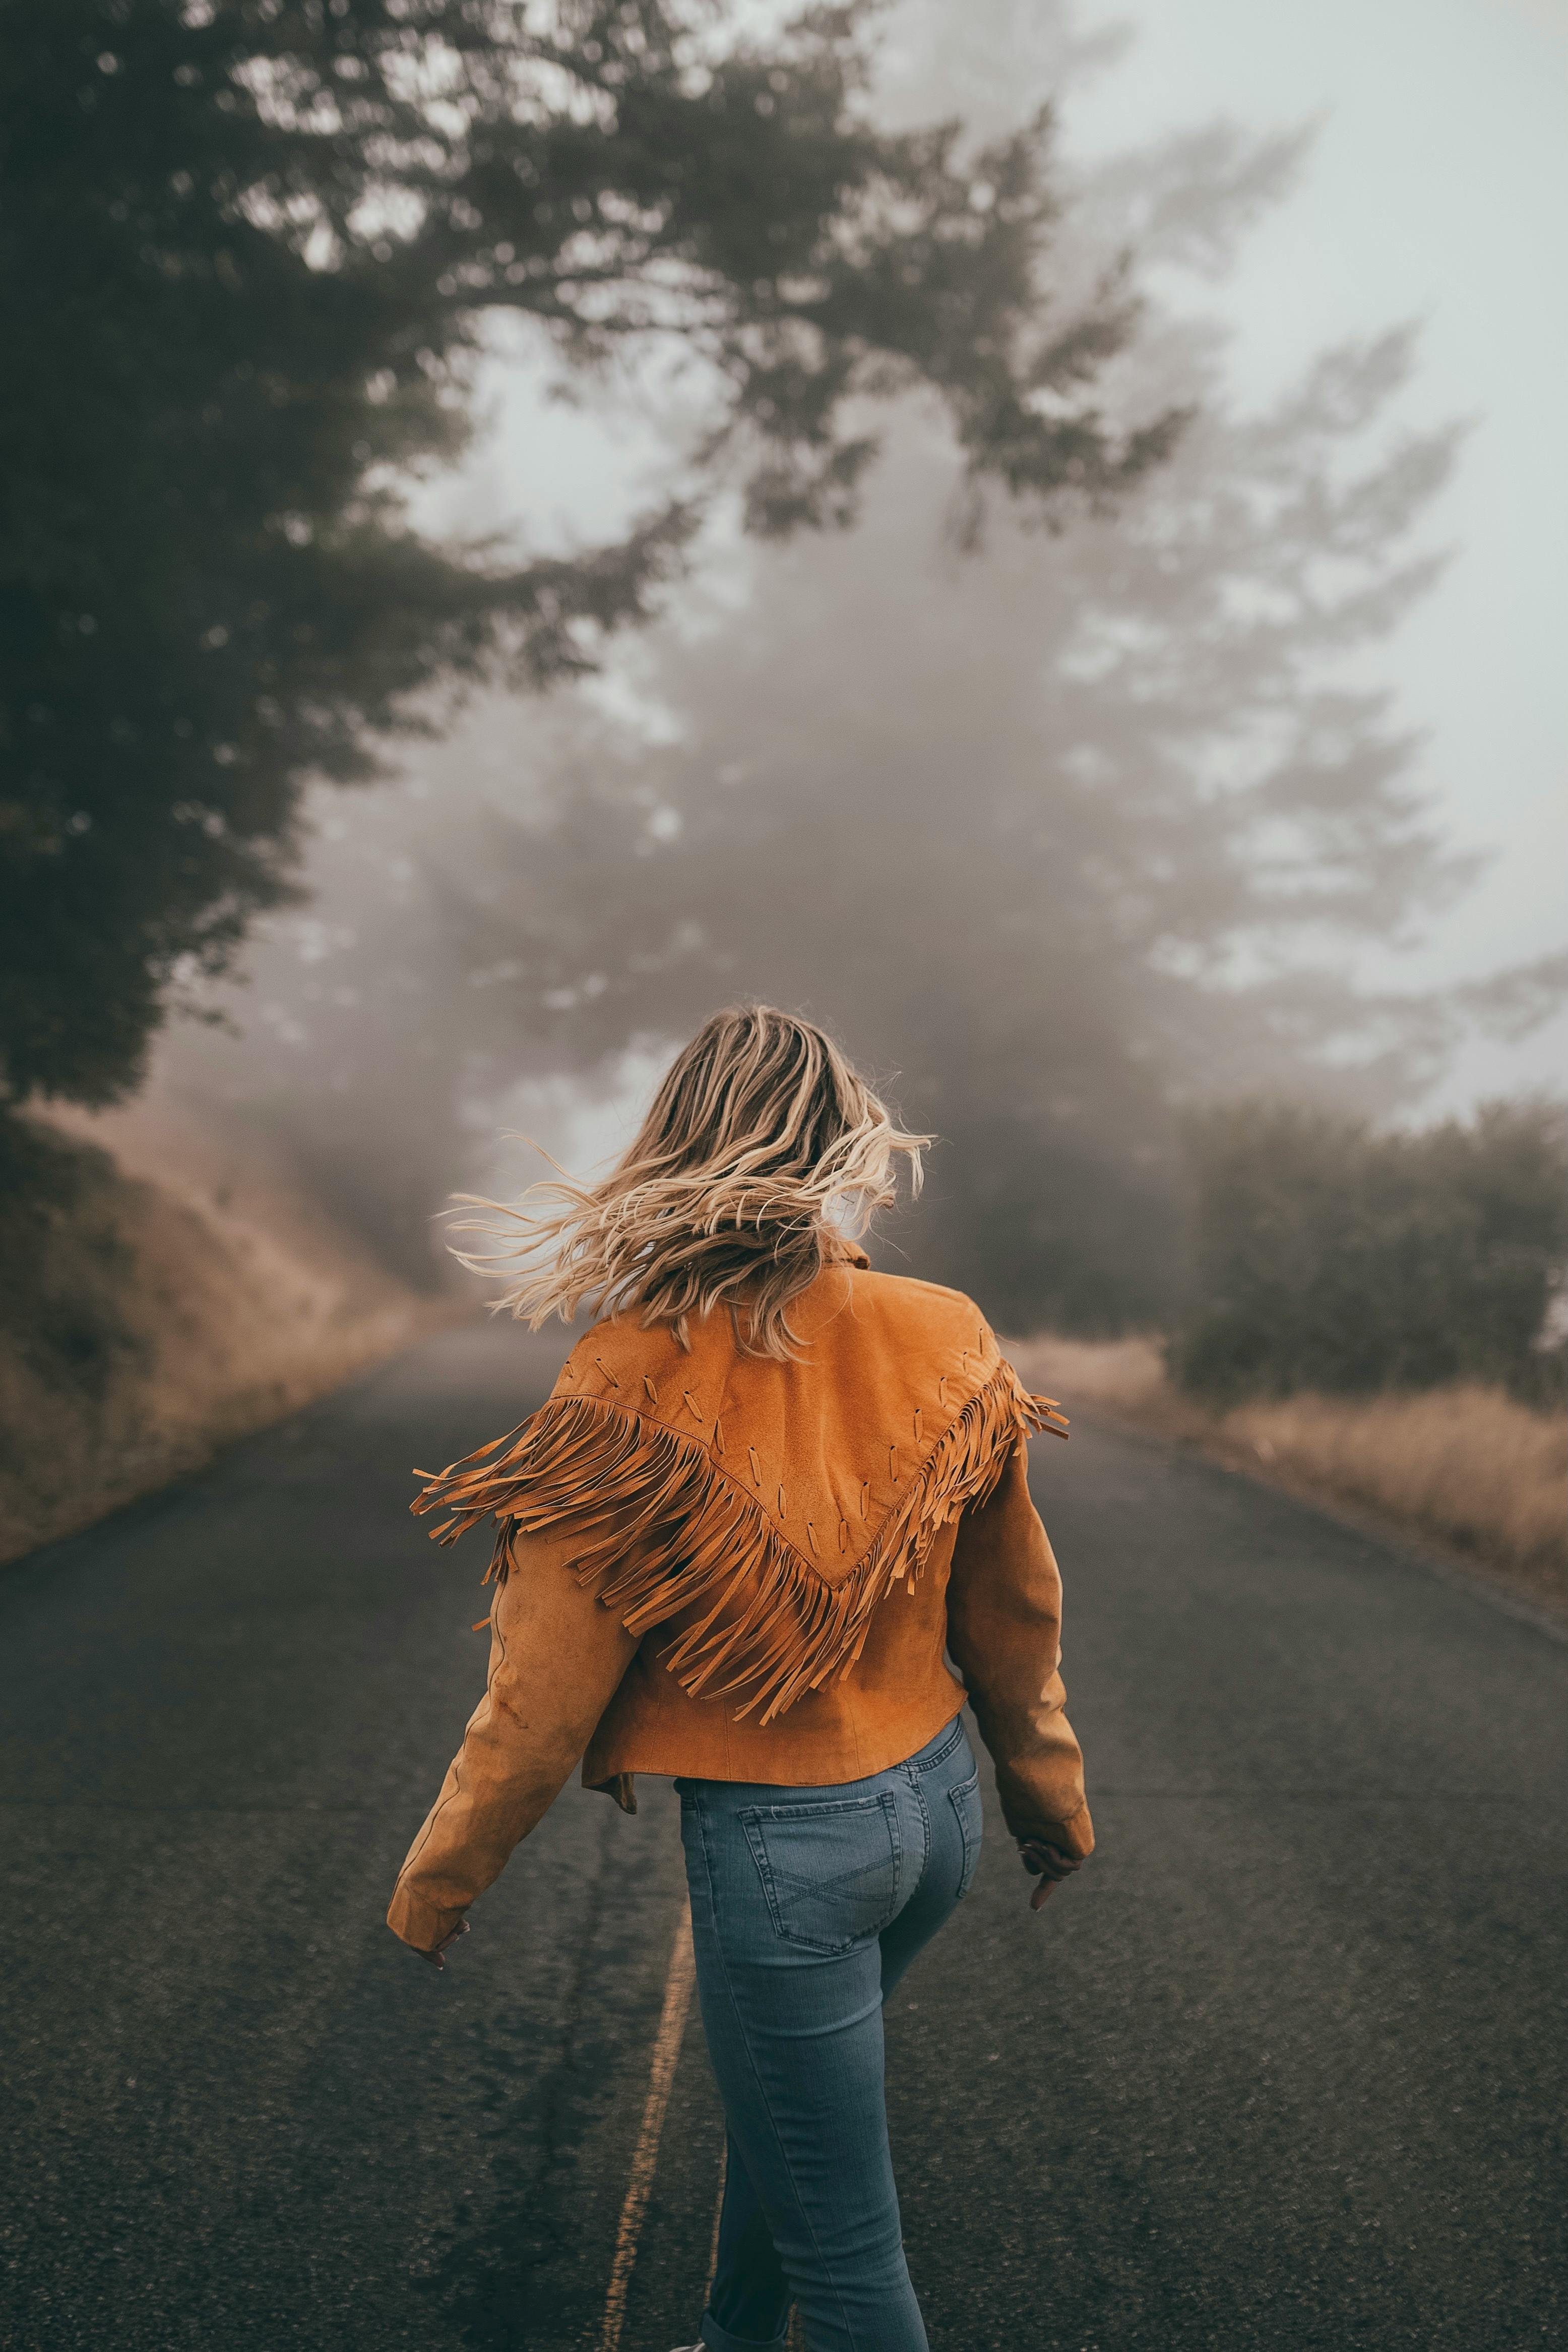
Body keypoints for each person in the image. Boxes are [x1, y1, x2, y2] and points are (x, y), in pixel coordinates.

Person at [388, 1005, 1093, 2352]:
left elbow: (537, 1702)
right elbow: (1015, 1612)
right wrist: (1048, 1799)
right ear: (837, 1143)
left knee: (848, 2254)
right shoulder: (944, 1331)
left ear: (673, 1141)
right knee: (796, 2125)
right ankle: (727, 2338)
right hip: (934, 1811)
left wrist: (442, 1873)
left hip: (785, 1853)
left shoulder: (627, 1369)